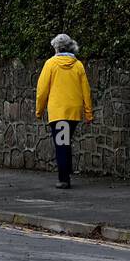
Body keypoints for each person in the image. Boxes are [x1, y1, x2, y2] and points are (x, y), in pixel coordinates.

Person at [35, 33, 93, 188]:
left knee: (61, 144)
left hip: (58, 112)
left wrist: (39, 111)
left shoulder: (50, 64)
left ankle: (64, 179)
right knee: (65, 142)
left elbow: (42, 90)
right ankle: (67, 170)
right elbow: (86, 90)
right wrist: (88, 113)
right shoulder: (78, 65)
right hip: (74, 112)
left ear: (56, 47)